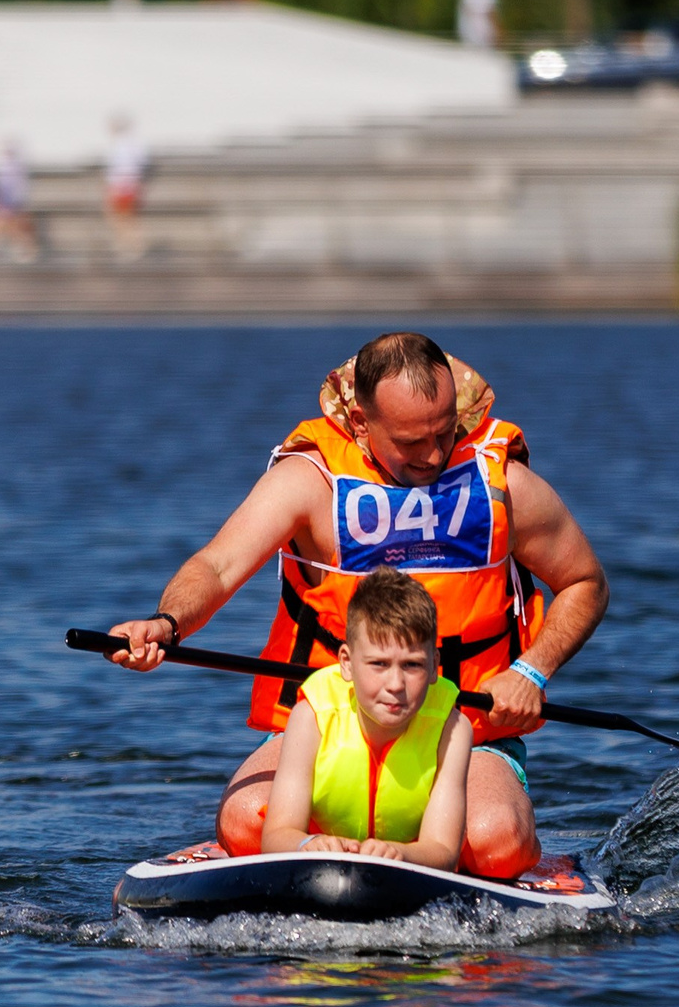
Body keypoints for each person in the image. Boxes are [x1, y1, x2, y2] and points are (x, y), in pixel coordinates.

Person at [106, 332, 610, 879]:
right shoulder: (310, 480)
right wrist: (166, 623)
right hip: (325, 723)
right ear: (363, 426)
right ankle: (302, 845)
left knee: (498, 844)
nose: (435, 455)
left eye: (445, 432)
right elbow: (217, 567)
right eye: (413, 442)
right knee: (247, 821)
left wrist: (530, 672)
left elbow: (586, 581)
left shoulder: (503, 483)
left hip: (465, 726)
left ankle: (527, 861)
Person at [260, 568, 472, 870]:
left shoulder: (453, 729)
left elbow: (442, 850)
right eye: (379, 664)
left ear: (435, 666)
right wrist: (307, 845)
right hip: (321, 853)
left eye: (412, 665)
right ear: (346, 662)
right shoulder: (311, 716)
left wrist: (400, 855)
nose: (396, 684)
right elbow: (277, 835)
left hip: (406, 860)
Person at [103, 113, 149, 258]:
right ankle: (131, 246)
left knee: (124, 218)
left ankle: (131, 247)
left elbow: (119, 168)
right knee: (127, 218)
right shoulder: (132, 144)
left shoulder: (122, 144)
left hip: (123, 184)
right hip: (128, 183)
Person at [0, 139, 40, 260]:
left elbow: (20, 186)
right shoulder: (3, 166)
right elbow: (1, 186)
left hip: (14, 204)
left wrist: (13, 204)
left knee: (19, 229)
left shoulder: (17, 166)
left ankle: (25, 252)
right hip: (6, 204)